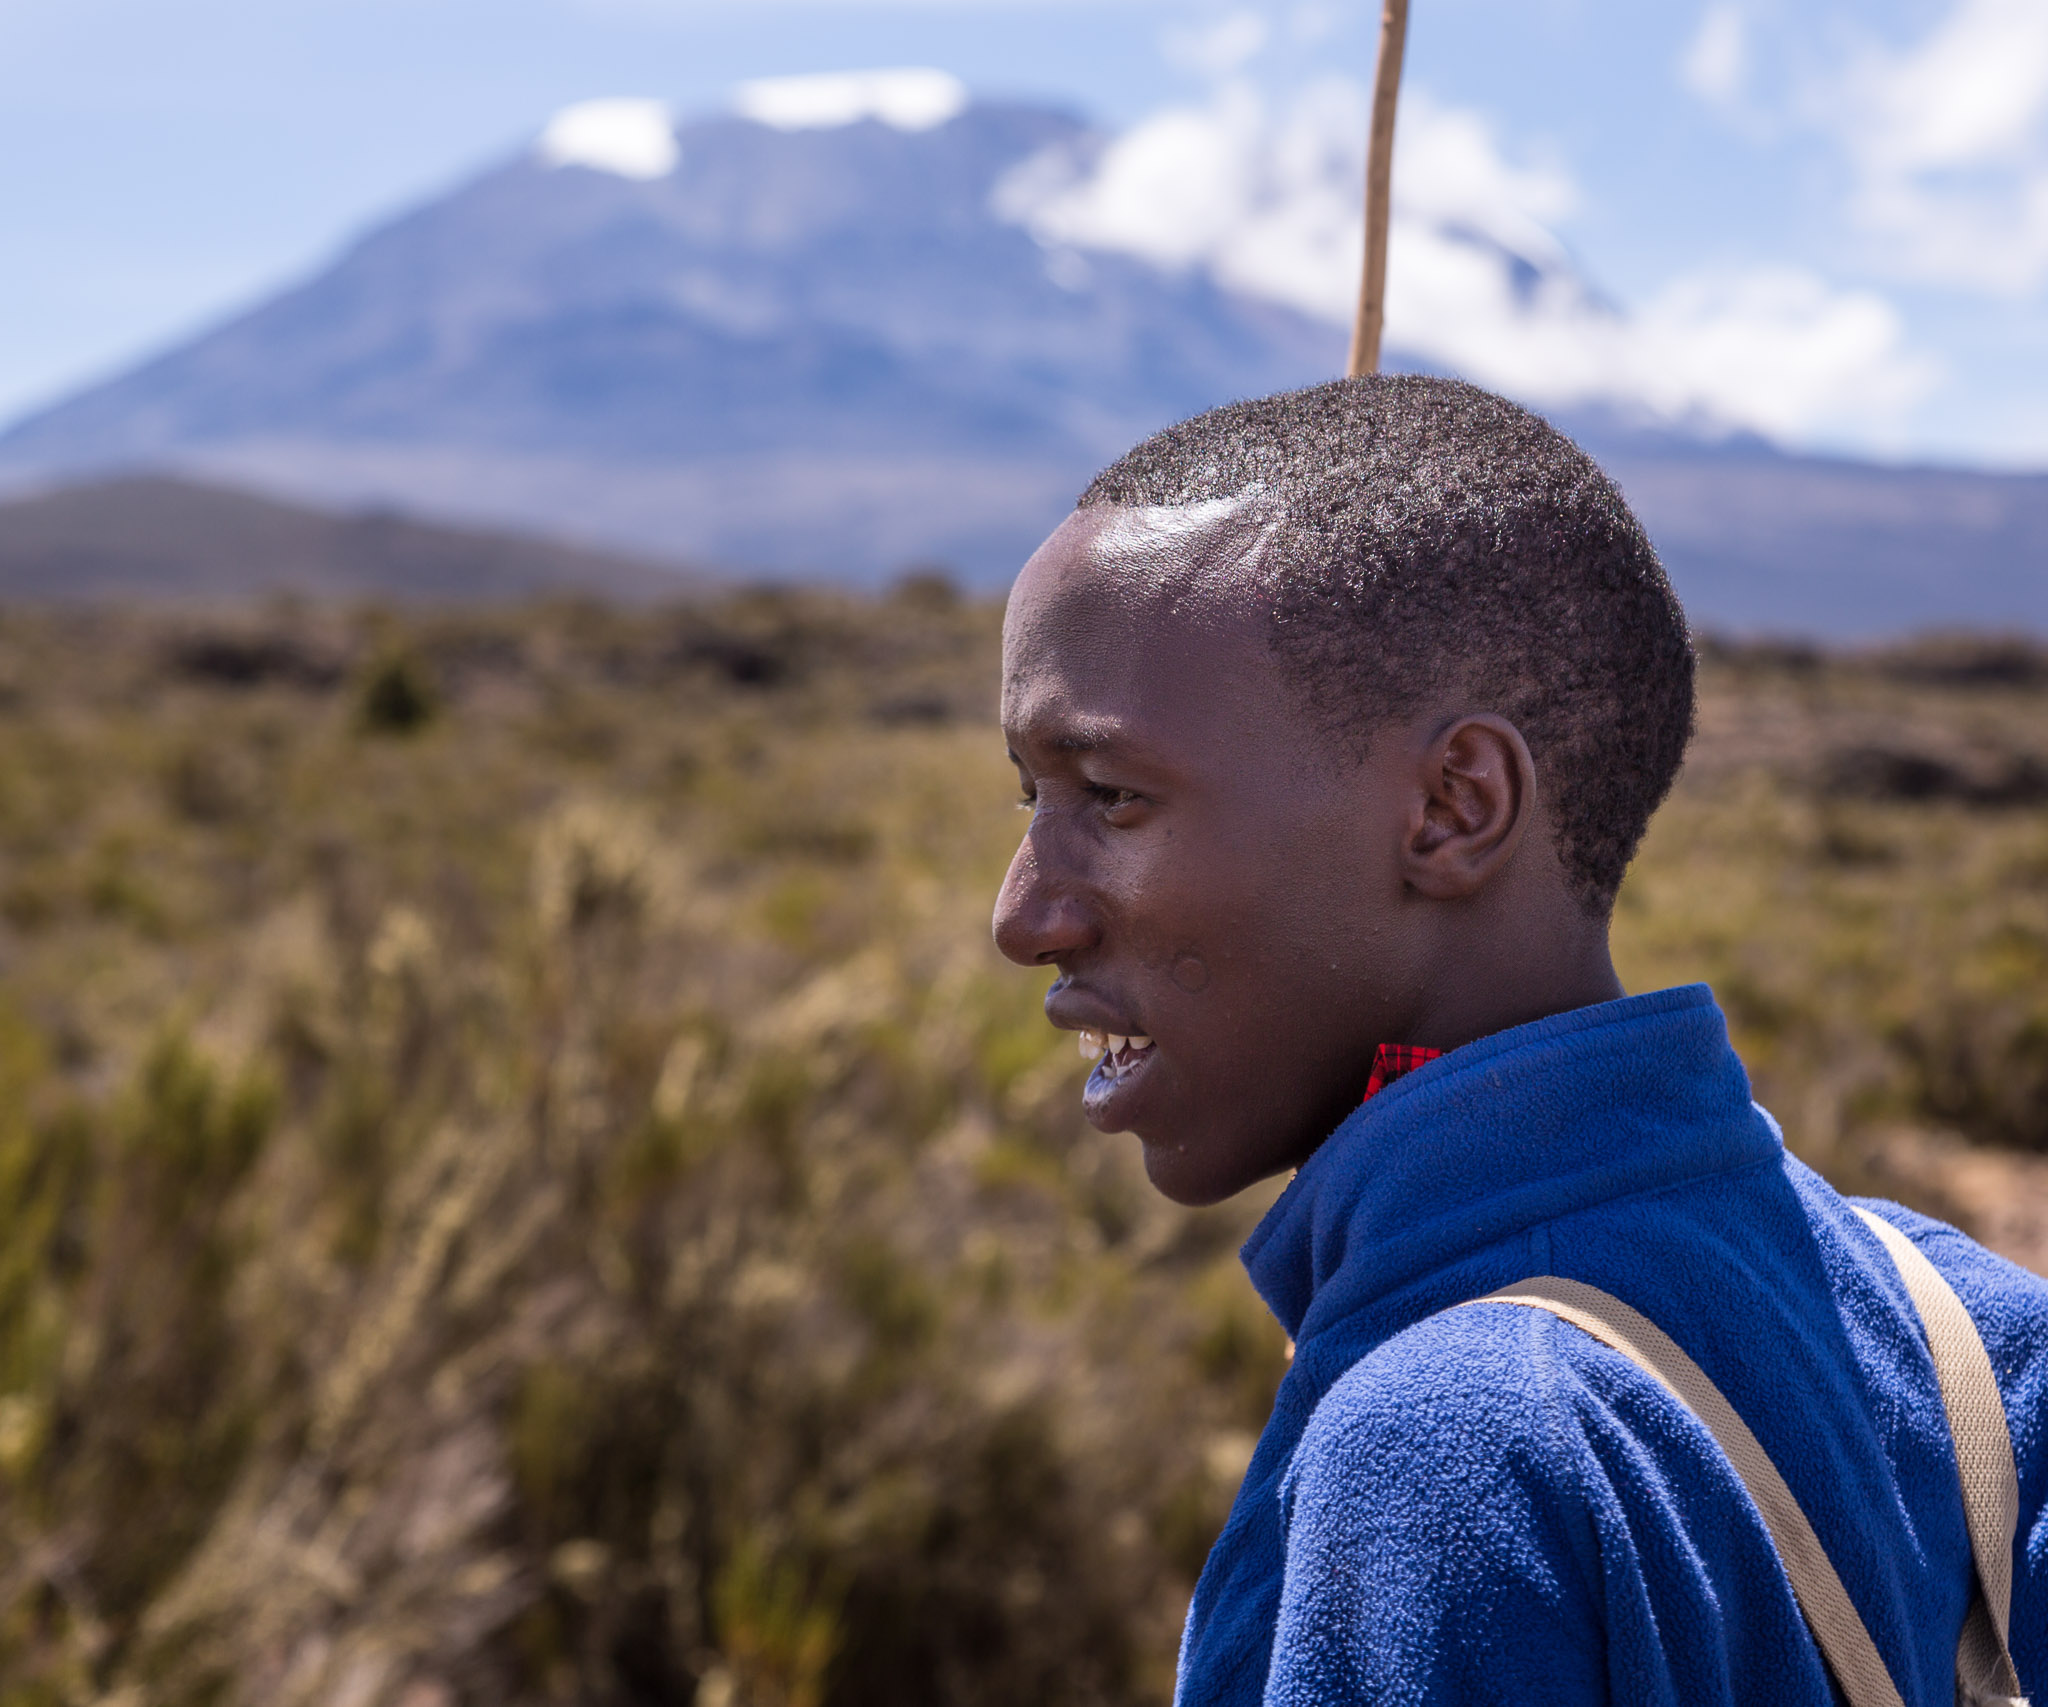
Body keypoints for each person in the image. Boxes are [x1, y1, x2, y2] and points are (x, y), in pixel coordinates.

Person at [991, 374, 2047, 1706]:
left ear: (1453, 808)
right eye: (1031, 797)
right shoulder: (1975, 1334)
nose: (1023, 915)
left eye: (1113, 795)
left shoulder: (1451, 1449)